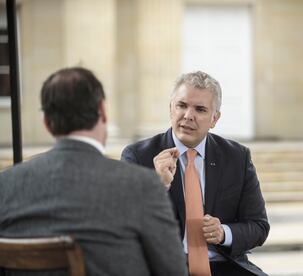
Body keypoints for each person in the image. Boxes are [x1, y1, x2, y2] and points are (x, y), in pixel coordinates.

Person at [0, 67, 187, 276]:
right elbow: (173, 271)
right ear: (103, 112)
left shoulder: (5, 185)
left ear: (46, 123)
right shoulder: (142, 185)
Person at [121, 71, 270, 276]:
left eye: (200, 109)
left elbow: (258, 226)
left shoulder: (237, 157)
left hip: (224, 267)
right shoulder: (139, 156)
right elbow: (124, 226)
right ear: (170, 109)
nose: (188, 115)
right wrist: (156, 186)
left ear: (214, 119)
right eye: (181, 105)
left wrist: (223, 233)